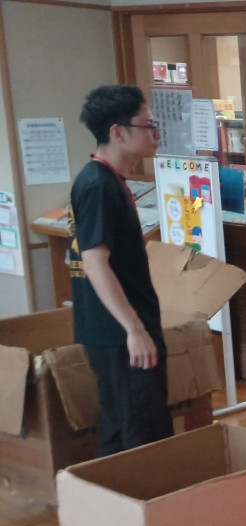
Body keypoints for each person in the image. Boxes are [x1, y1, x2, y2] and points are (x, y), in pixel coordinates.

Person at [68, 84, 173, 457]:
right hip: (119, 334)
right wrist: (134, 329)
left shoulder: (107, 180)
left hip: (117, 331)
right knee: (143, 435)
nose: (155, 133)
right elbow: (94, 261)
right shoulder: (98, 185)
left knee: (120, 432)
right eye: (148, 125)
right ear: (118, 132)